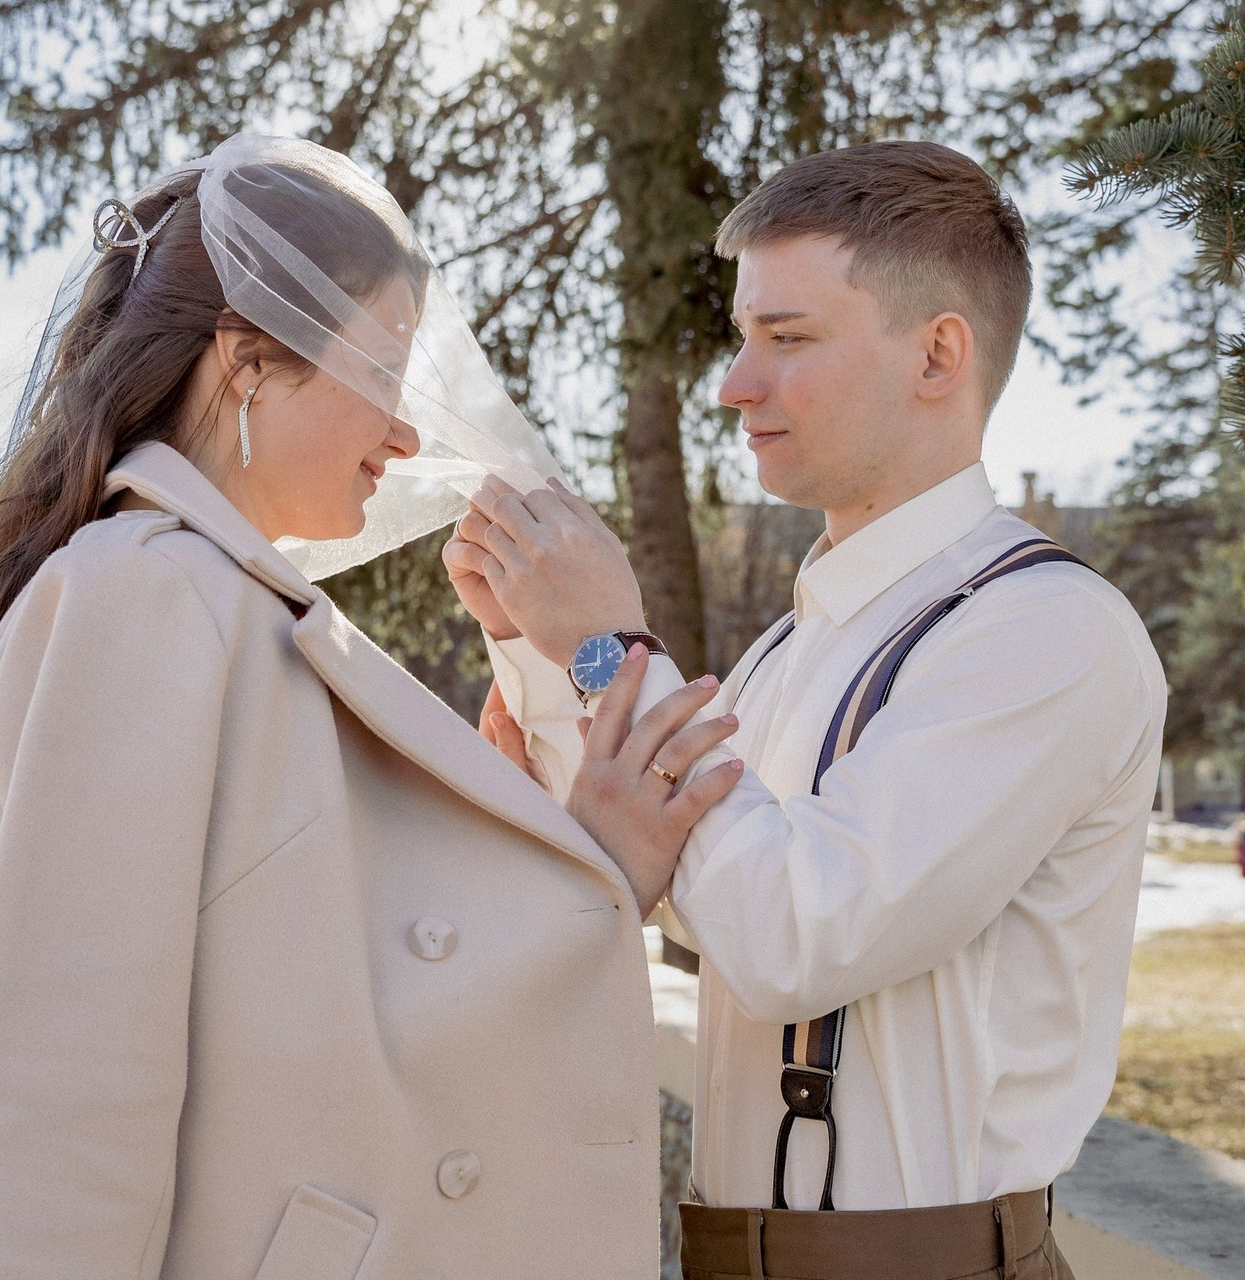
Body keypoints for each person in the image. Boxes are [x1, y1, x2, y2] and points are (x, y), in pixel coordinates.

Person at [0, 133, 743, 1279]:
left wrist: (591, 864)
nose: (407, 431)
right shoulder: (139, 592)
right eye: (381, 370)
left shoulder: (212, 600)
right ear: (246, 364)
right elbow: (63, 1097)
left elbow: (331, 992)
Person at [445, 140, 1167, 1279]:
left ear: (938, 354)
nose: (735, 383)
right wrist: (533, 645)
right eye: (743, 339)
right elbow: (674, 882)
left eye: (787, 340)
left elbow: (791, 933)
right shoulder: (791, 646)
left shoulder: (1046, 633)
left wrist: (606, 646)